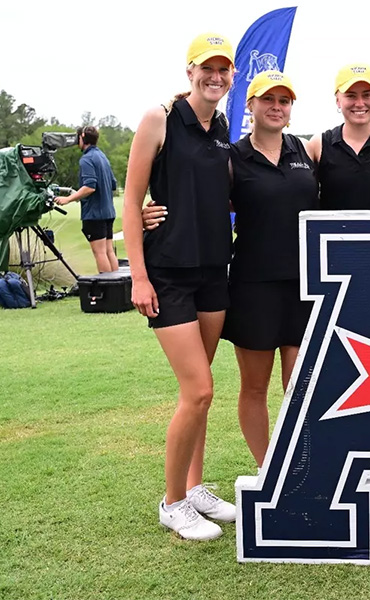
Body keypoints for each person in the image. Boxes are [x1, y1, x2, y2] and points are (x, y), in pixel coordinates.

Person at [122, 32, 237, 541]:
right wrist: (139, 275)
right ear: (190, 71)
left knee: (200, 392)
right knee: (199, 390)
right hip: (167, 275)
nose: (215, 77)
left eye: (223, 69)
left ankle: (193, 489)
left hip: (214, 271)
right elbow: (131, 201)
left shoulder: (223, 127)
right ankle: (172, 502)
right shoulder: (159, 118)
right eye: (206, 68)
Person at [221, 71, 318, 469]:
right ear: (251, 105)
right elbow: (197, 202)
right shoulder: (233, 158)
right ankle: (269, 470)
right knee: (255, 386)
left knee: (300, 387)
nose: (277, 107)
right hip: (252, 286)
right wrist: (147, 212)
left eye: (284, 101)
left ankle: (305, 465)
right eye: (268, 100)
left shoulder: (306, 152)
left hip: (302, 286)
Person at [306, 63, 370, 209]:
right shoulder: (319, 144)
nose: (359, 103)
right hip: (333, 232)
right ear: (338, 100)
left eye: (367, 95)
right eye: (351, 96)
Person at [56, 126, 119, 273]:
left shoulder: (86, 159)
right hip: (108, 213)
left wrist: (68, 199)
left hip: (94, 214)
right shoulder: (102, 157)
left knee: (100, 253)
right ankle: (118, 292)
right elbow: (113, 184)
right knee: (109, 252)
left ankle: (108, 292)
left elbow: (89, 187)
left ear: (82, 137)